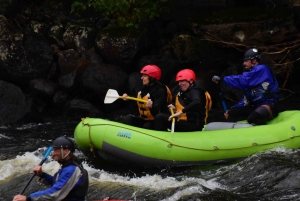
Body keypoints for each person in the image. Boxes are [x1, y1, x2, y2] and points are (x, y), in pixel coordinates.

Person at [212, 48, 279, 125]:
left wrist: (223, 79)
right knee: (233, 111)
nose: (244, 63)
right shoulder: (251, 79)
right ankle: (230, 133)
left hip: (270, 106)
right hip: (257, 107)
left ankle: (267, 133)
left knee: (252, 118)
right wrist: (231, 110)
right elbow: (246, 100)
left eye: (246, 61)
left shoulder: (262, 69)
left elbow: (243, 80)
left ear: (254, 61)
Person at [13, 136, 89, 201]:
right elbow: (58, 183)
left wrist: (29, 198)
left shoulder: (71, 170)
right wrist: (42, 175)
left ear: (66, 151)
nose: (53, 153)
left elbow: (55, 193)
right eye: (53, 150)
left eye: (56, 150)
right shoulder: (68, 167)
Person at [122, 64, 172, 129]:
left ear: (152, 78)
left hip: (156, 121)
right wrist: (128, 98)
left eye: (144, 76)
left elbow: (156, 112)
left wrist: (151, 107)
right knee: (127, 119)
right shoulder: (144, 87)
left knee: (147, 126)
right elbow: (138, 103)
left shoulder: (160, 90)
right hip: (144, 119)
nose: (141, 78)